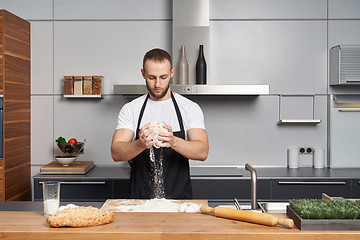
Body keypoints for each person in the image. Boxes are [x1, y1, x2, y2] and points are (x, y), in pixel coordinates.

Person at [111, 48, 209, 199]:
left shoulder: (189, 108)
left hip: (180, 203)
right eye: (151, 77)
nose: (158, 84)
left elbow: (202, 152)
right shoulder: (131, 109)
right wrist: (140, 144)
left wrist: (173, 141)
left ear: (172, 73)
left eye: (163, 77)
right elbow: (116, 153)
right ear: (143, 74)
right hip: (139, 203)